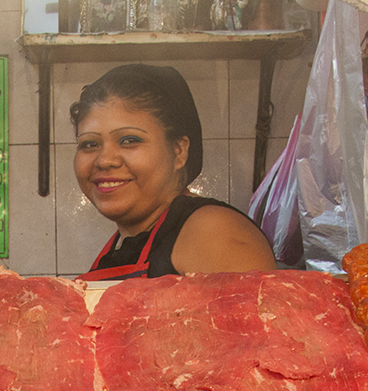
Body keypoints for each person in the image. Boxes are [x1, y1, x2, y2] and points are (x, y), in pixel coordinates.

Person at [71, 63, 276, 281]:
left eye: (129, 140)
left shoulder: (213, 232)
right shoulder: (123, 244)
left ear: (179, 151)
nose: (104, 160)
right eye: (90, 144)